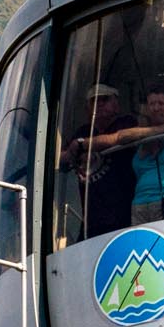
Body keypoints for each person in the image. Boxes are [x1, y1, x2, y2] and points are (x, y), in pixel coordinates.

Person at [94, 81, 164, 224]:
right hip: (140, 204)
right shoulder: (142, 133)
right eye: (151, 104)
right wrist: (158, 131)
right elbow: (121, 136)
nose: (156, 108)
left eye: (161, 103)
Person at [58, 83, 136, 237]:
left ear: (116, 105)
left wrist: (82, 145)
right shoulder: (83, 131)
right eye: (94, 101)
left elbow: (120, 138)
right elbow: (63, 157)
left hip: (123, 214)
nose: (99, 104)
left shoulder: (126, 123)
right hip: (90, 219)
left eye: (104, 99)